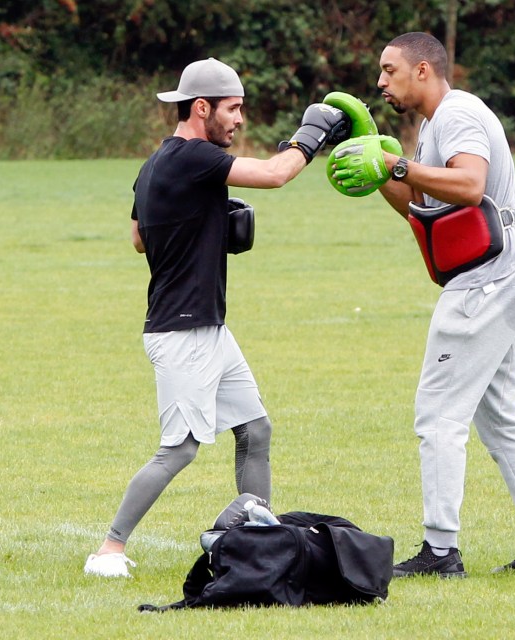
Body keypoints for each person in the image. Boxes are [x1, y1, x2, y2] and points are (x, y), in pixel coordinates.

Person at [84, 57, 347, 577]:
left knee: (255, 428)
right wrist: (311, 134)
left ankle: (259, 538)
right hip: (182, 331)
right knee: (179, 450)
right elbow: (275, 174)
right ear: (200, 108)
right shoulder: (195, 157)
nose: (240, 120)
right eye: (233, 109)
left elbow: (139, 238)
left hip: (206, 326)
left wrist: (204, 225)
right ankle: (109, 550)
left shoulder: (157, 163)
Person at [370, 32, 515, 576]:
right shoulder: (434, 124)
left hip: (489, 279)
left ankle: (440, 551)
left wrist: (396, 167)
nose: (381, 81)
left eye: (390, 71)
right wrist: (375, 167)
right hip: (512, 270)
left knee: (438, 415)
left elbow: (468, 183)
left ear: (423, 71)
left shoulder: (457, 113)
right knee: (500, 412)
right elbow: (420, 207)